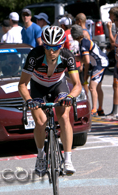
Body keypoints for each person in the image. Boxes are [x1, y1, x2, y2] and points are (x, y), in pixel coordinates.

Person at [18, 26, 82, 176]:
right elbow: (22, 84)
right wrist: (28, 100)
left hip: (58, 85)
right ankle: (40, 156)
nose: (51, 51)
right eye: (47, 46)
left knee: (65, 116)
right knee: (40, 122)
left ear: (61, 45)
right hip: (38, 86)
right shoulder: (35, 55)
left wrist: (70, 97)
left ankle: (67, 159)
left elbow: (77, 85)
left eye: (55, 47)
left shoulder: (68, 56)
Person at [71, 24, 109, 116]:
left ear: (74, 35)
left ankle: (94, 110)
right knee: (98, 87)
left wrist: (85, 73)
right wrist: (78, 57)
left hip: (99, 64)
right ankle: (100, 109)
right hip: (101, 62)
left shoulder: (83, 44)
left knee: (92, 87)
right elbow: (85, 58)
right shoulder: (84, 41)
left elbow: (86, 61)